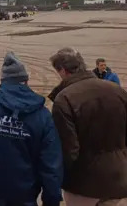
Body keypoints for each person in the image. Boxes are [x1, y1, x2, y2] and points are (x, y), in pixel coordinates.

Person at [0, 52, 63, 206]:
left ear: (3, 80)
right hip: (23, 192)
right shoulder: (43, 116)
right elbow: (51, 164)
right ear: (26, 81)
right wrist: (51, 199)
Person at [48, 47, 127, 206]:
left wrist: (55, 178)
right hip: (118, 179)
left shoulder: (64, 99)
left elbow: (68, 150)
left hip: (83, 186)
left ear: (63, 71)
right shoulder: (117, 90)